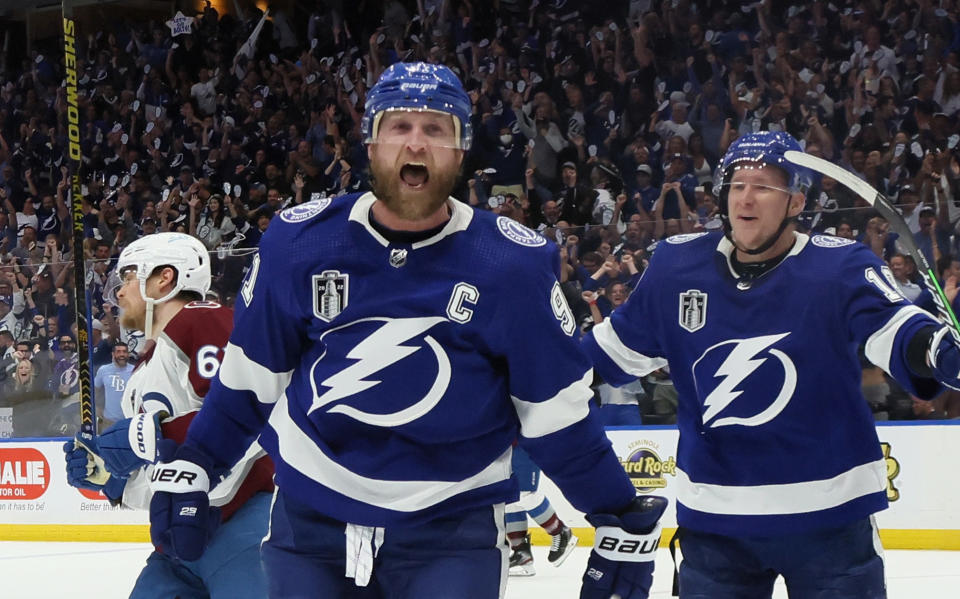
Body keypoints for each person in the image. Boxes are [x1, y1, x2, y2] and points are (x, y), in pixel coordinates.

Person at [146, 62, 666, 599]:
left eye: (436, 129)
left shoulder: (511, 264)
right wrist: (198, 460)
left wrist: (616, 515)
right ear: (370, 143)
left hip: (450, 531)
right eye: (399, 127)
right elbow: (250, 382)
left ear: (460, 149)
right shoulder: (299, 243)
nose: (416, 144)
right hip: (311, 522)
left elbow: (556, 417)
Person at [581, 130, 960, 598]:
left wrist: (938, 350)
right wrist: (520, 376)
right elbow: (603, 357)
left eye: (763, 186)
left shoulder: (839, 267)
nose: (745, 197)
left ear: (797, 203)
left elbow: (896, 331)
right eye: (737, 185)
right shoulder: (676, 268)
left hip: (830, 520)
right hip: (716, 524)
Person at [62, 232, 273, 599]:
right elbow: (163, 472)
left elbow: (254, 416)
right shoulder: (143, 370)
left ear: (165, 278)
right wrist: (114, 479)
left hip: (241, 525)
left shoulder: (205, 320)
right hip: (177, 543)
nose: (119, 292)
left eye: (128, 277)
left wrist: (155, 434)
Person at [505, 446, 577, 577]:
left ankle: (561, 531)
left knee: (524, 494)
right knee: (508, 499)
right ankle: (521, 554)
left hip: (522, 445)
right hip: (503, 447)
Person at [92, 341, 133, 429]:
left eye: (124, 351)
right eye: (118, 352)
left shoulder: (135, 371)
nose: (122, 354)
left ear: (128, 354)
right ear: (113, 354)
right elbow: (95, 390)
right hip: (109, 422)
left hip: (130, 421)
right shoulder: (103, 370)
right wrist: (96, 407)